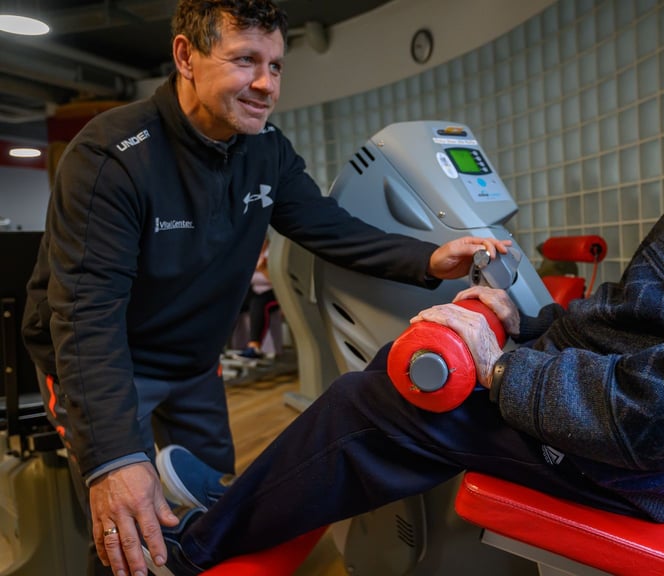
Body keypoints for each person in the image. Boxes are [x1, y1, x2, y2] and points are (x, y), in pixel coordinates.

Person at [146, 2, 664, 574]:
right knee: (385, 382)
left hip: (639, 460)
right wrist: (525, 327)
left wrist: (500, 367)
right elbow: (641, 323)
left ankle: (189, 554)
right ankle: (238, 512)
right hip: (632, 431)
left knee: (366, 406)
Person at [19, 1, 508, 574]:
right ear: (185, 56)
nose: (265, 83)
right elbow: (85, 318)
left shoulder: (266, 151)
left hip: (193, 361)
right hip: (107, 358)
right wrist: (113, 460)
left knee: (214, 512)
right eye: (245, 60)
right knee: (129, 525)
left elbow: (330, 228)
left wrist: (429, 257)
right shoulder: (114, 157)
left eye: (275, 65)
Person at [235, 236, 277, 360]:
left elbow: (279, 281)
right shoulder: (252, 252)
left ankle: (254, 347)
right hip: (256, 290)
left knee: (258, 303)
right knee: (234, 303)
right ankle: (218, 346)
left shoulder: (272, 254)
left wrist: (263, 270)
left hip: (276, 292)